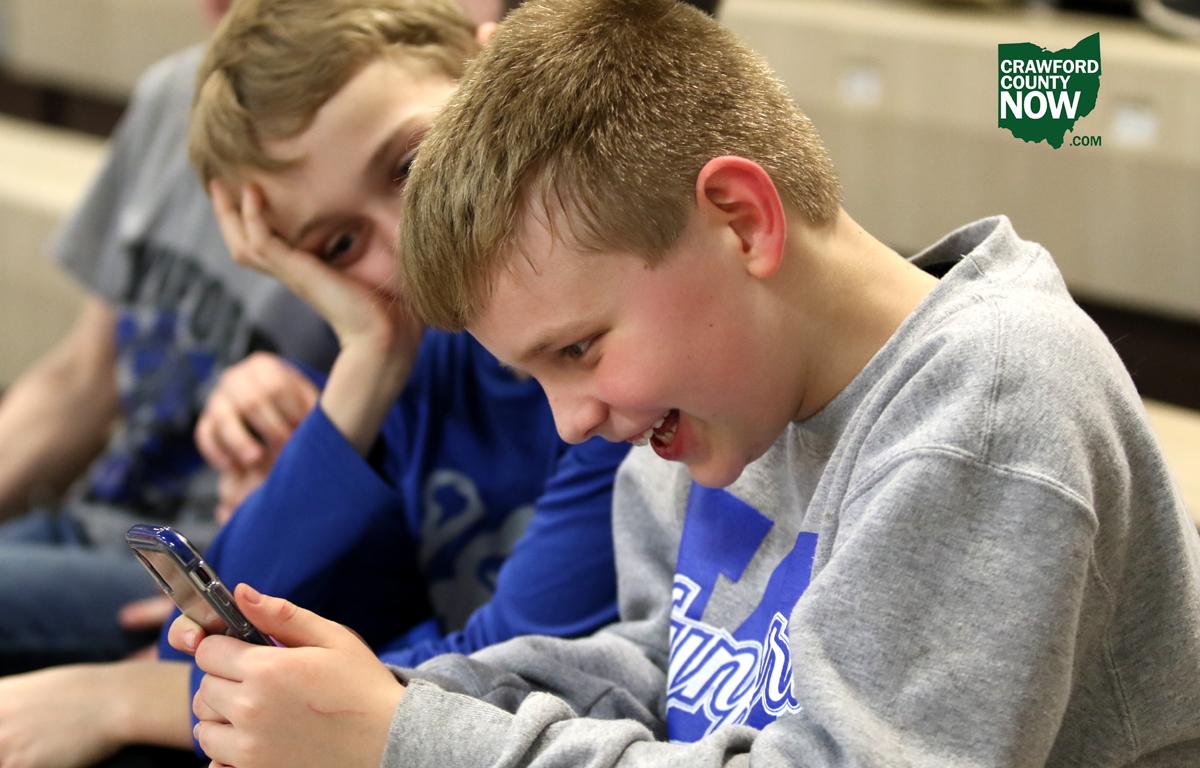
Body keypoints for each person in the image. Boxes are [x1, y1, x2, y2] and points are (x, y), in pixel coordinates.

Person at [169, 0, 1200, 766]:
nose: (571, 423)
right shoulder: (712, 411)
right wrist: (382, 698)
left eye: (577, 350)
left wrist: (409, 742)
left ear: (741, 221)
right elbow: (661, 677)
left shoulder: (990, 404)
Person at [0, 2, 629, 767]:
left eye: (409, 164)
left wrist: (125, 700)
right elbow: (213, 636)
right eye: (339, 243)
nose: (406, 244)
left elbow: (501, 682)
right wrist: (368, 358)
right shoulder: (414, 360)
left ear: (489, 73)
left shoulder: (610, 377)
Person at [0, 0, 339, 674]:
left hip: (214, 573)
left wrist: (243, 591)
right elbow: (83, 380)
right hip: (104, 522)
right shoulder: (175, 92)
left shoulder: (361, 161)